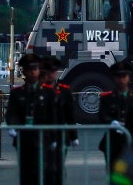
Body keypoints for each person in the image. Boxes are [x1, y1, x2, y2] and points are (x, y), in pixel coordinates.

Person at [6, 54, 54, 185]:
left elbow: (53, 115)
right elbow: (11, 113)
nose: (33, 72)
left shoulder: (48, 93)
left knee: (44, 172)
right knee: (26, 173)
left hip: (43, 138)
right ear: (24, 72)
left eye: (36, 68)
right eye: (30, 69)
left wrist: (55, 136)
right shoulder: (17, 93)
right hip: (24, 138)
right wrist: (13, 126)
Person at [39, 56, 79, 185]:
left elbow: (70, 114)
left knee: (58, 167)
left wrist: (73, 136)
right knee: (45, 168)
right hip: (43, 136)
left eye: (53, 71)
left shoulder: (64, 91)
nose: (51, 75)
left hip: (60, 135)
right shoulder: (38, 90)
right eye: (48, 71)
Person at [99, 61, 133, 172]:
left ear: (128, 78)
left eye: (124, 76)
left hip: (132, 142)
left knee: (131, 174)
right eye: (118, 76)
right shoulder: (107, 98)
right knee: (114, 173)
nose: (121, 80)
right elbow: (102, 116)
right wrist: (112, 123)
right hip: (113, 142)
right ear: (114, 78)